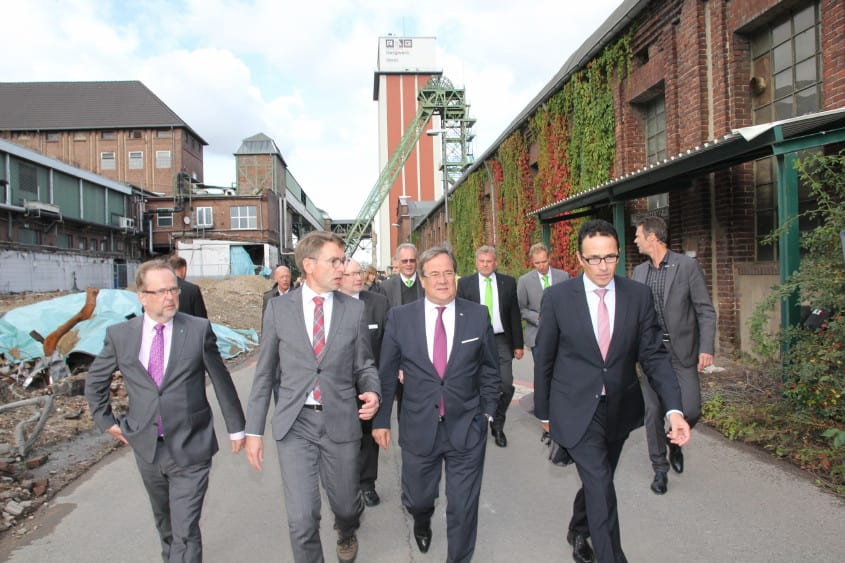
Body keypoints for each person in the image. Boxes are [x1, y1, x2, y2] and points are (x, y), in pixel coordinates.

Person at [533, 219, 690, 563]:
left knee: (597, 481)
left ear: (619, 255)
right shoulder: (558, 298)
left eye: (610, 257)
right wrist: (543, 413)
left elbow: (654, 356)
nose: (602, 266)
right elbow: (543, 358)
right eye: (594, 259)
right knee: (601, 482)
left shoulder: (637, 295)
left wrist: (673, 410)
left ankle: (578, 528)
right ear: (579, 258)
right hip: (574, 408)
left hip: (618, 408)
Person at [85, 259, 245, 563]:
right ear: (142, 296)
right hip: (147, 447)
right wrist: (106, 421)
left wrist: (237, 428)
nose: (169, 297)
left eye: (173, 290)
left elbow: (221, 379)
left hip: (191, 445)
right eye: (160, 292)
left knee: (185, 529)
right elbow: (95, 381)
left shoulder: (197, 330)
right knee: (166, 523)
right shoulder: (121, 335)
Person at [244, 231, 381, 563]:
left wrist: (373, 390)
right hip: (296, 425)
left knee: (347, 507)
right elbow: (264, 374)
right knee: (302, 520)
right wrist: (253, 431)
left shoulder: (353, 310)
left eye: (343, 260)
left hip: (340, 421)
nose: (342, 268)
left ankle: (346, 530)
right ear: (308, 265)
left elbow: (364, 363)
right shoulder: (278, 310)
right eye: (334, 261)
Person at [372, 245, 500, 563]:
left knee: (463, 506)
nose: (442, 280)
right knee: (418, 498)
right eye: (434, 274)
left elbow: (490, 369)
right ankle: (421, 518)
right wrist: (381, 421)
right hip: (419, 428)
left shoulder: (476, 314)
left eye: (447, 272)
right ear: (423, 280)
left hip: (467, 428)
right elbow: (387, 375)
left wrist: (487, 413)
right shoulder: (400, 318)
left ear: (454, 276)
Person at [632, 215, 716, 494]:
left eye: (638, 235)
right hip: (652, 354)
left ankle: (675, 437)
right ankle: (659, 469)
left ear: (652, 237)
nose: (635, 240)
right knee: (653, 410)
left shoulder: (687, 267)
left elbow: (705, 309)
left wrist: (706, 347)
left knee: (691, 409)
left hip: (682, 352)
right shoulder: (638, 273)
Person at [456, 245, 524, 447]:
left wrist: (518, 344)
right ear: (477, 262)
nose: (486, 265)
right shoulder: (465, 284)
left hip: (501, 339)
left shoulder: (508, 283)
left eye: (489, 261)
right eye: (482, 261)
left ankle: (497, 421)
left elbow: (514, 314)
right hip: (474, 340)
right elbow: (461, 315)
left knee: (504, 383)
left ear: (495, 263)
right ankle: (477, 423)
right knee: (475, 384)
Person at [339, 258, 389, 508]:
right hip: (338, 386)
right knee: (343, 439)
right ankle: (345, 485)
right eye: (351, 274)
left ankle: (367, 484)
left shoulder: (378, 303)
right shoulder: (331, 304)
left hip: (369, 382)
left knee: (368, 437)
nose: (358, 278)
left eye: (359, 273)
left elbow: (389, 342)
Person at [376, 242, 425, 416]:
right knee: (402, 404)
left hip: (425, 352)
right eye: (404, 261)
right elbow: (384, 324)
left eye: (412, 260)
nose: (409, 264)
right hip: (399, 353)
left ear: (417, 260)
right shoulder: (386, 287)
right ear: (397, 262)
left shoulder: (426, 283)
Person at [517, 242, 570, 351]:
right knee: (541, 368)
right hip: (537, 335)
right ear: (532, 262)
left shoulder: (563, 276)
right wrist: (538, 318)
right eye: (537, 263)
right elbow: (521, 308)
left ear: (549, 258)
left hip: (562, 334)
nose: (541, 266)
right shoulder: (524, 281)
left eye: (544, 262)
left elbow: (570, 302)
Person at [261, 264, 292, 329]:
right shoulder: (269, 297)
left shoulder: (297, 295)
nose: (285, 279)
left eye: (287, 276)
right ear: (276, 279)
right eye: (282, 277)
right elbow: (266, 321)